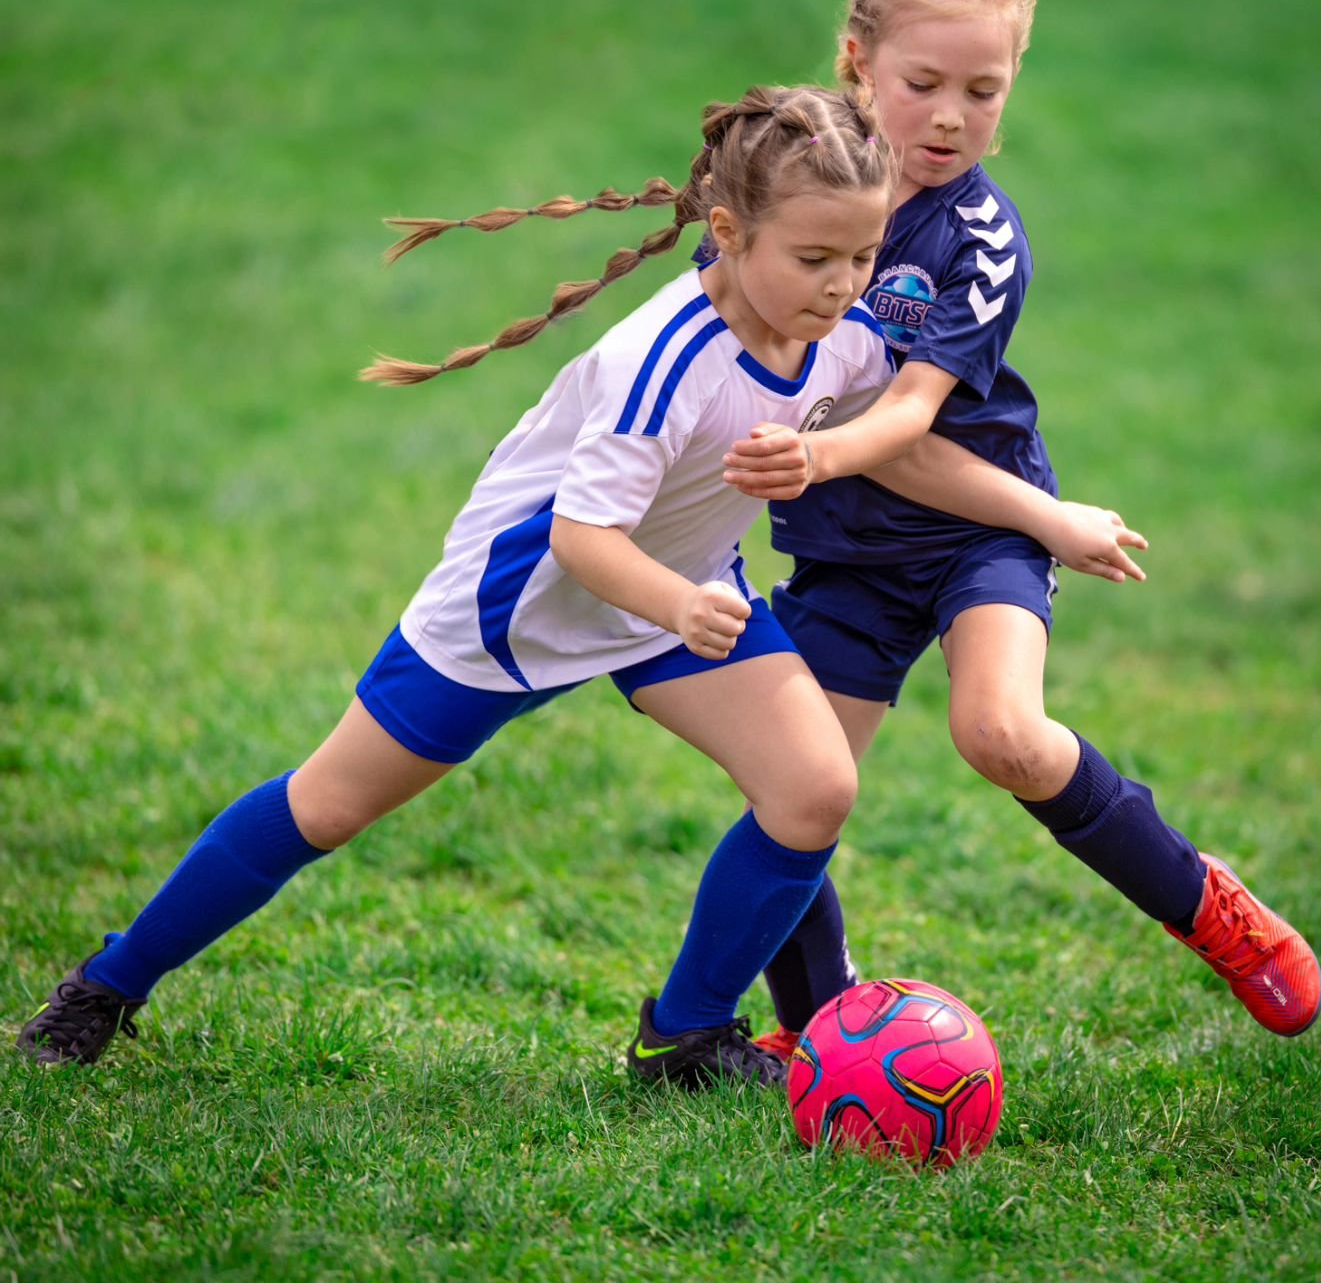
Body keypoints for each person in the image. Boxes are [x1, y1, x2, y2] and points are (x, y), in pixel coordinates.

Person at [19, 84, 916, 1087]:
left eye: (863, 258)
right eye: (814, 259)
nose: (843, 286)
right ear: (728, 233)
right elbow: (583, 537)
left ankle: (684, 1040)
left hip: (681, 599)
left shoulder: (846, 331)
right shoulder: (662, 363)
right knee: (328, 806)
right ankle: (107, 984)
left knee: (814, 789)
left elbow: (904, 433)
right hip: (522, 608)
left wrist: (1039, 519)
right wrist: (676, 605)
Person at [720, 0, 1321, 1054]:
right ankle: (822, 1033)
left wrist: (1045, 519)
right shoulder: (793, 187)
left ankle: (1209, 907)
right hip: (844, 551)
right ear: (857, 59)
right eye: (924, 82)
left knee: (1002, 731)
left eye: (984, 91)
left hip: (976, 527)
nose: (951, 116)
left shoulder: (983, 239)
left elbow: (904, 431)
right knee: (796, 789)